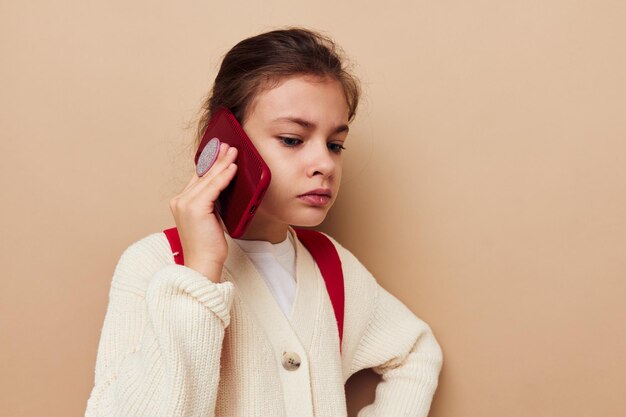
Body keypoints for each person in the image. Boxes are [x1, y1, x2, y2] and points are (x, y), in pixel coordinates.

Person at [85, 27, 443, 417]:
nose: (324, 164)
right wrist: (200, 272)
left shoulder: (331, 265)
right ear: (224, 141)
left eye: (335, 144)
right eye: (292, 139)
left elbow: (415, 351)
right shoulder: (155, 264)